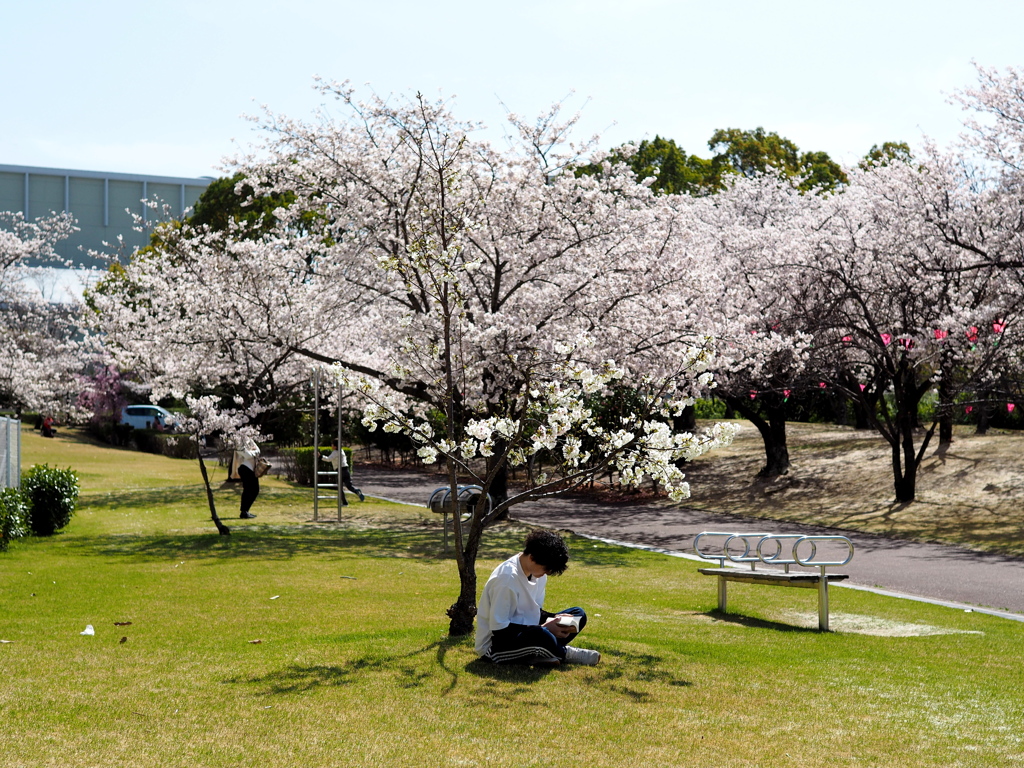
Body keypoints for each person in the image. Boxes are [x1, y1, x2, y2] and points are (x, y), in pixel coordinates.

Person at [475, 529, 600, 666]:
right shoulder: (506, 579)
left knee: (577, 615)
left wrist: (554, 620)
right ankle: (565, 653)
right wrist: (545, 628)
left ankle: (540, 652)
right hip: (495, 646)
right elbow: (500, 630)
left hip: (530, 630)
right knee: (540, 634)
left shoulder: (537, 574)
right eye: (546, 568)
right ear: (532, 558)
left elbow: (533, 611)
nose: (547, 573)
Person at [230, 440, 261, 519]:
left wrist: (253, 451)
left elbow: (258, 450)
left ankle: (245, 511)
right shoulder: (238, 442)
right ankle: (244, 512)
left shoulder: (249, 440)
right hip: (245, 468)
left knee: (255, 490)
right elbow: (247, 455)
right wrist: (253, 451)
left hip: (251, 469)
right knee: (248, 490)